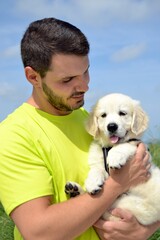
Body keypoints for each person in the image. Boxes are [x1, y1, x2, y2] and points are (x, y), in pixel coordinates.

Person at [0, 17, 159, 240]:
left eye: (85, 71)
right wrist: (117, 184)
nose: (84, 85)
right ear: (33, 77)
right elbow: (38, 233)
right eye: (68, 79)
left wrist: (144, 229)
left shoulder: (92, 120)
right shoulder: (13, 135)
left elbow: (146, 180)